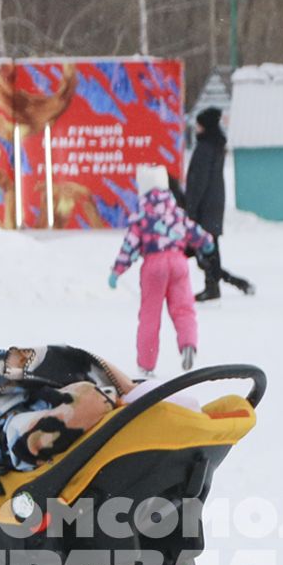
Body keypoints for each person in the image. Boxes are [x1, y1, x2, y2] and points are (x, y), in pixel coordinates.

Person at [111, 164, 214, 376]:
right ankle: (188, 344)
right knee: (184, 308)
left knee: (150, 315)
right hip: (178, 262)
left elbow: (129, 246)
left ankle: (146, 366)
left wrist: (117, 271)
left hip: (153, 265)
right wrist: (206, 242)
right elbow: (194, 231)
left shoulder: (141, 217)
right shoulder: (175, 213)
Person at [183, 107, 254, 301]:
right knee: (206, 250)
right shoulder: (214, 145)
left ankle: (217, 286)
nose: (196, 128)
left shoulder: (205, 148)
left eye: (198, 124)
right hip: (212, 205)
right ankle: (221, 284)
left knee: (204, 252)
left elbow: (199, 182)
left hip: (204, 207)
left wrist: (191, 210)